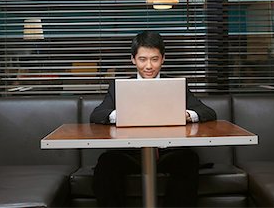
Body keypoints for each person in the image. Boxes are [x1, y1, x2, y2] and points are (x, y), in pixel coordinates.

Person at [90, 30, 217, 207]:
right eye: (142, 59)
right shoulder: (118, 87)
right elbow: (97, 114)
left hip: (167, 153)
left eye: (154, 59)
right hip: (131, 153)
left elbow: (208, 112)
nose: (148, 66)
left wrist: (187, 115)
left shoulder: (177, 86)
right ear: (133, 59)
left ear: (163, 59)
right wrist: (122, 114)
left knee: (189, 160)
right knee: (106, 164)